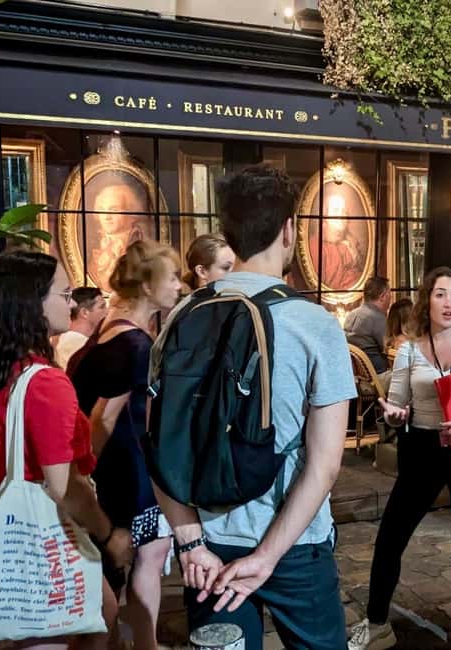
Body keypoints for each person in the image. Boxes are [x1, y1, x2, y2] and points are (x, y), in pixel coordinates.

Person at [152, 165, 355, 650]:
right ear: (289, 232)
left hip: (209, 547)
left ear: (228, 233)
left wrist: (190, 541)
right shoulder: (315, 325)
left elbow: (161, 444)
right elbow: (325, 465)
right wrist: (267, 557)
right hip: (294, 545)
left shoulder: (180, 319)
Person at [349, 267, 451, 650]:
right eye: (440, 294)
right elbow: (399, 403)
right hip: (422, 449)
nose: (449, 302)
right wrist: (394, 413)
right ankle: (377, 624)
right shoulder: (408, 349)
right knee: (391, 536)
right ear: (428, 301)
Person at [0, 251, 133, 650]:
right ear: (32, 302)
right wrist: (107, 533)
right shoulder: (45, 383)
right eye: (65, 293)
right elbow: (62, 485)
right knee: (93, 619)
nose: (71, 304)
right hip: (37, 541)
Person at [68, 240, 181, 650]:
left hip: (112, 468)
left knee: (126, 561)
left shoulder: (104, 336)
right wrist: (85, 469)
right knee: (148, 554)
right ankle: (146, 644)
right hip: (126, 471)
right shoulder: (134, 345)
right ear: (148, 285)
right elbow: (104, 416)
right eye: (171, 277)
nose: (178, 285)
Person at [344, 276, 392, 376]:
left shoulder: (351, 315)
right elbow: (388, 348)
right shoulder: (376, 318)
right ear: (383, 296)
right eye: (389, 293)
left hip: (358, 378)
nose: (391, 297)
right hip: (378, 377)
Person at [53, 286, 107, 369]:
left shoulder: (81, 342)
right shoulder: (77, 343)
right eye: (102, 307)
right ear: (85, 312)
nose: (107, 312)